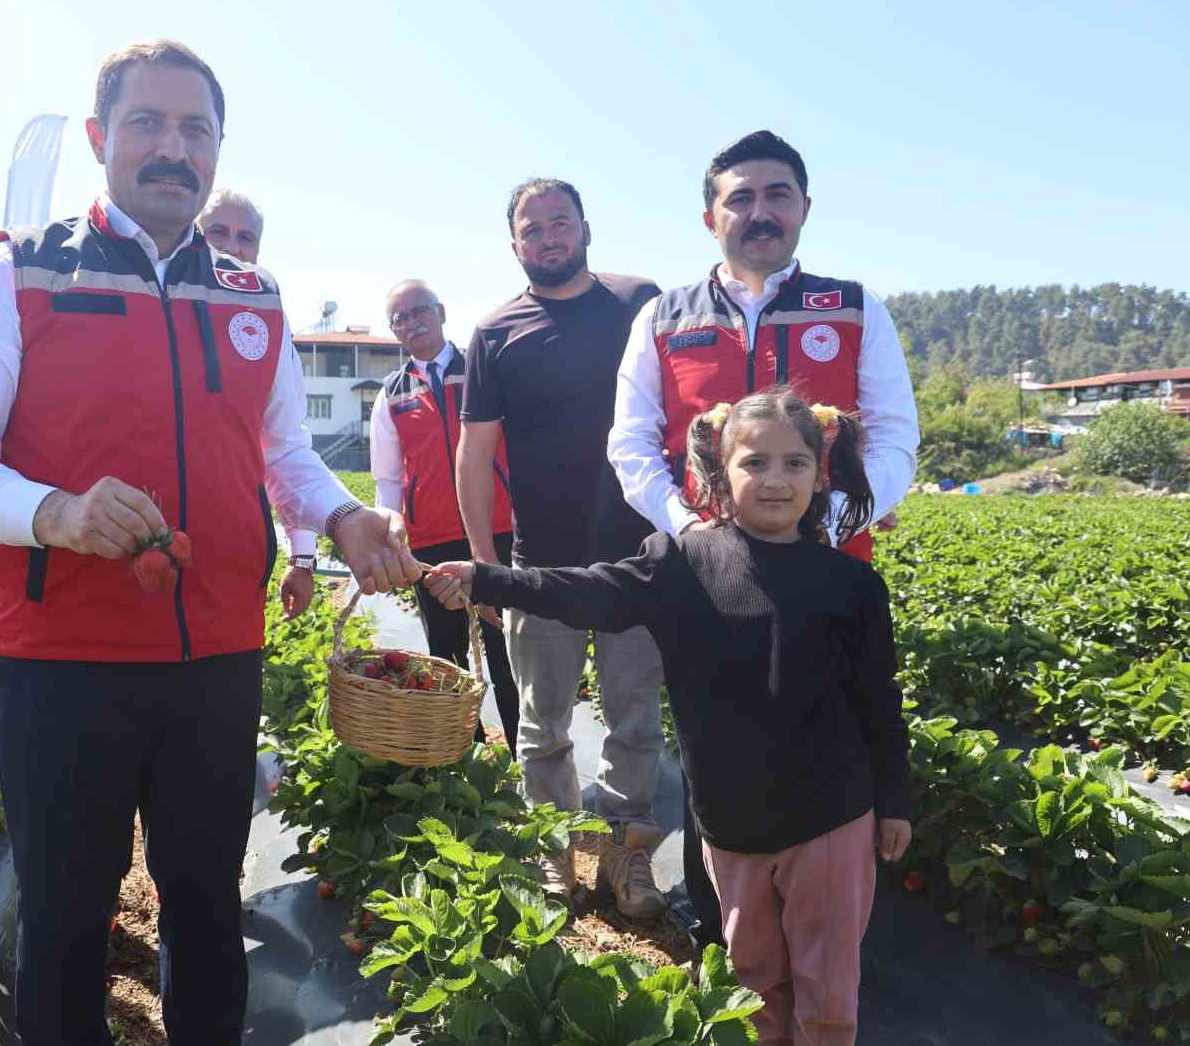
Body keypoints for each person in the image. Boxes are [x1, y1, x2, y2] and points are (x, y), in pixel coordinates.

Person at [0, 40, 418, 1046]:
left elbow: (283, 455)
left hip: (218, 658)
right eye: (147, 123)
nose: (171, 148)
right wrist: (56, 511)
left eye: (195, 129)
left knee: (204, 902)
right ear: (100, 138)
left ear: (217, 150)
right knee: (63, 918)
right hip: (63, 662)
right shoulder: (9, 278)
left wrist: (344, 515)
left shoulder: (252, 296)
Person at [429, 387, 912, 1046]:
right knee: (752, 977)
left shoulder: (853, 586)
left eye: (794, 464)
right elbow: (585, 589)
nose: (775, 480)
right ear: (720, 471)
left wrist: (894, 802)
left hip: (829, 820)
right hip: (730, 824)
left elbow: (878, 700)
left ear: (820, 473)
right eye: (755, 463)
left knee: (826, 991)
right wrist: (486, 577)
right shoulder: (681, 560)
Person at [607, 130, 920, 948]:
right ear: (710, 217)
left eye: (777, 195)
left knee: (835, 743)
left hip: (832, 577)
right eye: (739, 198)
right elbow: (631, 443)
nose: (759, 212)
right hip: (710, 582)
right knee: (716, 748)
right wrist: (690, 534)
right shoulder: (664, 316)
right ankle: (724, 944)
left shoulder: (852, 307)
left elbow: (895, 439)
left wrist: (831, 526)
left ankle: (832, 960)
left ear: (805, 209)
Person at [458, 177, 667, 918]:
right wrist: (485, 566)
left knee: (634, 719)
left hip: (636, 560)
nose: (548, 237)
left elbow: (680, 410)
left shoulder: (639, 300)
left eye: (559, 222)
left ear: (585, 227)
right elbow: (473, 454)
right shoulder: (495, 333)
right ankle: (551, 855)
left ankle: (626, 857)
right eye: (532, 228)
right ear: (514, 245)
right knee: (542, 724)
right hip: (540, 562)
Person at [372, 278, 520, 751]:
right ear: (394, 331)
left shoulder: (482, 369)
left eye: (419, 311)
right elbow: (388, 477)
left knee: (506, 645)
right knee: (447, 649)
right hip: (431, 538)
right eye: (400, 318)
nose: (412, 323)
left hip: (496, 531)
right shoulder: (391, 394)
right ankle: (466, 751)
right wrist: (392, 533)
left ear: (441, 311)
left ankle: (523, 751)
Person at [196, 188, 317, 617]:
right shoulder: (151, 306)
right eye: (217, 232)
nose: (231, 247)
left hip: (235, 554)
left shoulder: (269, 319)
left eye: (245, 238)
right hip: (145, 549)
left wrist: (302, 558)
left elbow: (285, 445)